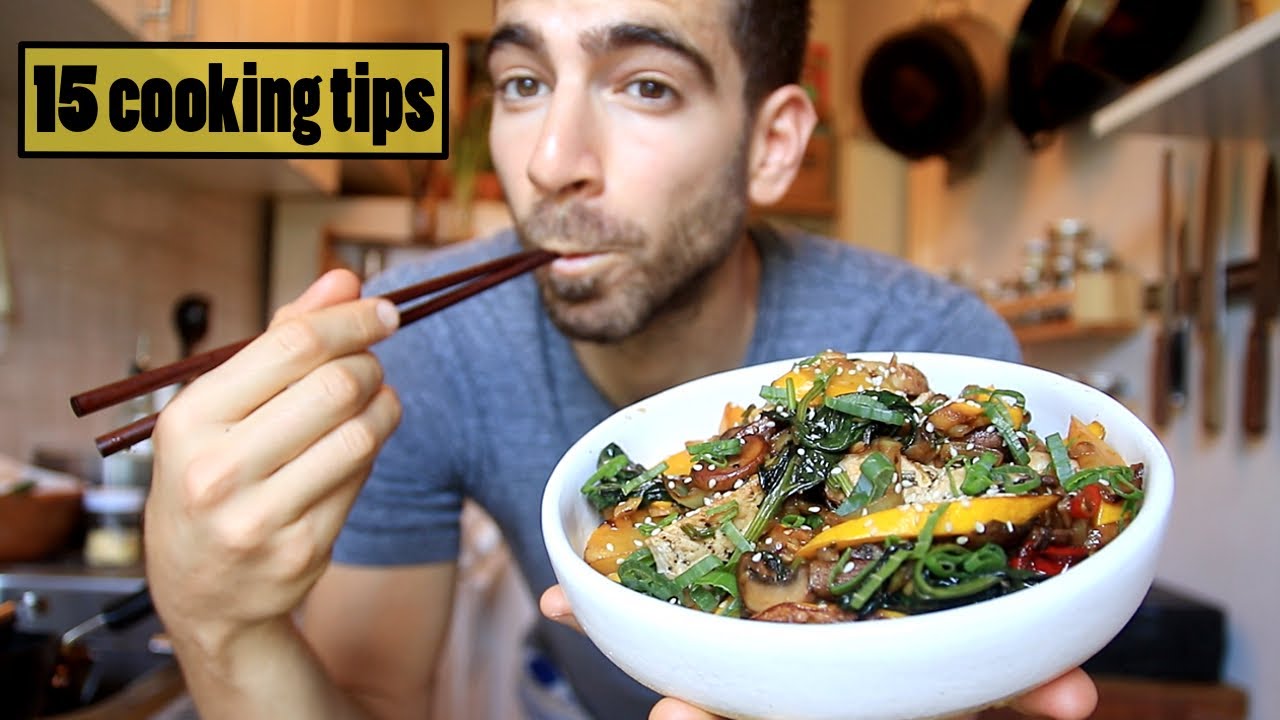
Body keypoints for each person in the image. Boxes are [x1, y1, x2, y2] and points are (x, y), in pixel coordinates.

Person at [143, 1, 1099, 719]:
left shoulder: (941, 351)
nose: (551, 161)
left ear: (771, 145)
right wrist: (219, 625)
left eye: (647, 85)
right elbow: (376, 699)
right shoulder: (424, 345)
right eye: (523, 83)